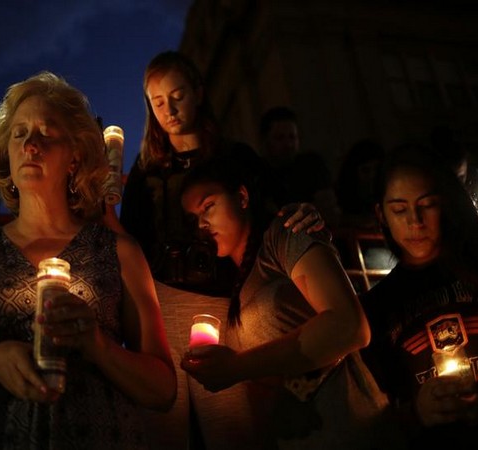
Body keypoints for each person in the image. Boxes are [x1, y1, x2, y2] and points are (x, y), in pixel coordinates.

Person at [0, 71, 176, 450]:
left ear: (75, 156)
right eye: (19, 134)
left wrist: (98, 345)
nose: (30, 144)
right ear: (8, 155)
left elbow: (163, 390)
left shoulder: (118, 251)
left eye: (46, 133)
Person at [118, 50, 323, 450]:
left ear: (197, 91)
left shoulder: (236, 158)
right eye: (157, 102)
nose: (169, 109)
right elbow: (131, 238)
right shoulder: (148, 171)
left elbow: (276, 213)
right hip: (160, 307)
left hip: (226, 305)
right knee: (164, 425)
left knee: (231, 426)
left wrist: (305, 212)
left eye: (176, 95)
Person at [179, 156, 404, 450]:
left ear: (242, 197)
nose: (202, 224)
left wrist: (236, 367)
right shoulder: (232, 288)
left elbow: (349, 326)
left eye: (208, 206)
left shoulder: (283, 235)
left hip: (352, 430)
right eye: (194, 218)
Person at [359, 142, 478, 449]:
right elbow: (369, 421)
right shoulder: (375, 309)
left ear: (445, 202)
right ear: (381, 214)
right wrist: (417, 413)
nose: (415, 221)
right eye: (399, 209)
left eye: (426, 204)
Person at [258, 106, 341, 228]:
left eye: (292, 137)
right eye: (280, 138)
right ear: (266, 141)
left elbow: (328, 209)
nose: (288, 144)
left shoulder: (312, 164)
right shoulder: (260, 173)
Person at [334, 138, 385, 230]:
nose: (372, 176)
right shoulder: (343, 199)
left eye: (377, 170)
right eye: (366, 170)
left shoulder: (388, 193)